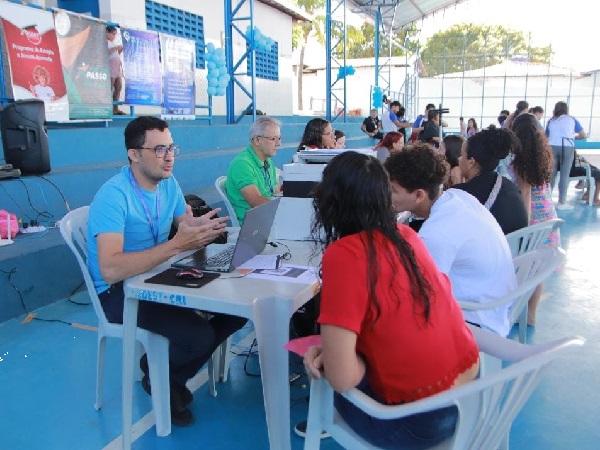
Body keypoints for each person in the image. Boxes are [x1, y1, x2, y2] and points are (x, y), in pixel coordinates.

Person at [299, 151, 480, 447]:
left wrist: (334, 356)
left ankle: (316, 424)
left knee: (321, 375)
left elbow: (343, 379)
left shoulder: (344, 255)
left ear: (329, 204)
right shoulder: (407, 236)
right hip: (471, 396)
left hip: (419, 422)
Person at [87, 116, 247, 426]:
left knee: (237, 310)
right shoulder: (113, 196)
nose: (169, 156)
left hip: (158, 276)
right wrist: (177, 246)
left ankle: (166, 376)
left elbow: (183, 226)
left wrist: (196, 228)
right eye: (159, 149)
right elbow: (109, 269)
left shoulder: (168, 183)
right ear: (134, 154)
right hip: (120, 292)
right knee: (198, 336)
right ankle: (161, 376)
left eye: (171, 147)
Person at [384, 144, 517, 336]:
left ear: (419, 195)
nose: (387, 195)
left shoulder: (436, 234)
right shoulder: (458, 197)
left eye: (393, 190)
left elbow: (420, 298)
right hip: (497, 303)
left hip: (477, 318)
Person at [508, 113, 562, 325]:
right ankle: (531, 315)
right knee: (538, 272)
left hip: (534, 220)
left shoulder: (521, 161)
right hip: (548, 215)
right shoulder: (543, 155)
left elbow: (525, 194)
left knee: (525, 268)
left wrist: (525, 227)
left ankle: (519, 314)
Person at [453, 128, 528, 234]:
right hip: (517, 248)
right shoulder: (510, 186)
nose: (459, 159)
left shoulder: (460, 195)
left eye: (462, 155)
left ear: (471, 162)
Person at [226, 116, 280, 224]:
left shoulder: (268, 161)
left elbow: (276, 193)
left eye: (279, 138)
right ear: (257, 140)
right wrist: (285, 209)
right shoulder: (242, 164)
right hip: (253, 225)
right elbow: (256, 202)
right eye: (273, 139)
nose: (278, 144)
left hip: (269, 218)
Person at [545, 101, 586, 210]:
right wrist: (572, 137)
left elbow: (546, 136)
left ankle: (547, 202)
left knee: (551, 175)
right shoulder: (571, 119)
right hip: (567, 147)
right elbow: (582, 135)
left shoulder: (551, 120)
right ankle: (561, 202)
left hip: (552, 146)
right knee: (564, 175)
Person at [107, 25, 126, 115]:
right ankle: (107, 107)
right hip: (110, 66)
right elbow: (106, 52)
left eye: (115, 35)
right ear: (107, 32)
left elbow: (115, 53)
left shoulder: (112, 43)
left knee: (118, 87)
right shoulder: (104, 41)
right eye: (112, 34)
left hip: (117, 67)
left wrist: (119, 50)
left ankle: (115, 108)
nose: (114, 37)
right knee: (109, 87)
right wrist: (116, 48)